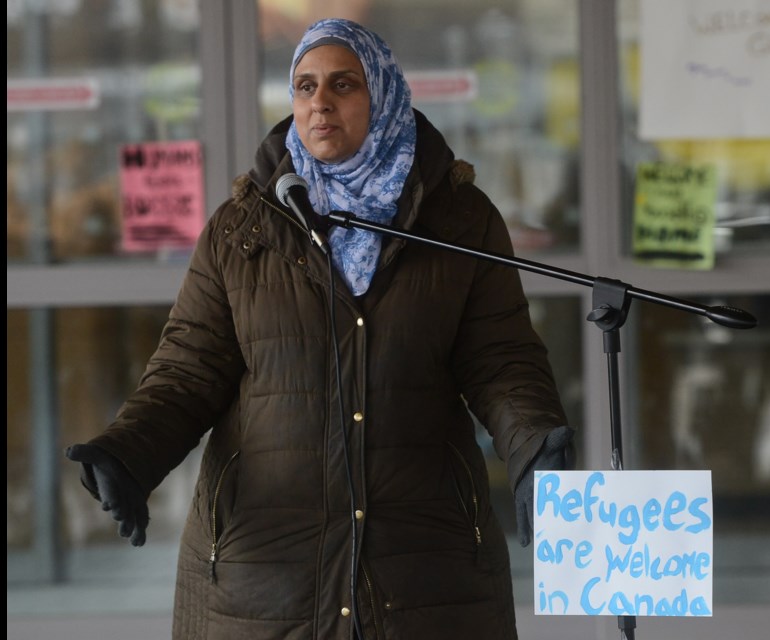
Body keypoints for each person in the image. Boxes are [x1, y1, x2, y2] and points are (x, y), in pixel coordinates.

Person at [65, 17, 574, 640]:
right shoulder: (242, 228)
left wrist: (533, 448)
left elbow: (501, 359)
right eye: (304, 87)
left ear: (382, 94)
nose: (320, 103)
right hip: (268, 572)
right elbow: (187, 371)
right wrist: (128, 453)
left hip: (421, 565)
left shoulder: (458, 219)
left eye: (343, 85)